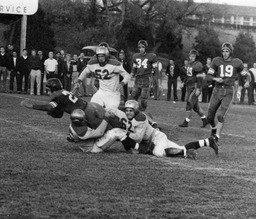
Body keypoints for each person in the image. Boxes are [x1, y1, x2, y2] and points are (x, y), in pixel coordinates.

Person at [70, 100, 218, 157]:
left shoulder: (139, 118)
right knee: (178, 148)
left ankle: (186, 153)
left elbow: (138, 138)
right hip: (154, 135)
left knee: (159, 153)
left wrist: (124, 133)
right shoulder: (131, 115)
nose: (127, 112)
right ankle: (208, 141)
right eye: (126, 110)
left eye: (130, 111)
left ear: (135, 111)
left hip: (155, 137)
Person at [205, 42, 251, 143]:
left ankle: (216, 136)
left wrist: (247, 81)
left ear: (230, 52)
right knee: (209, 117)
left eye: (227, 51)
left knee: (220, 115)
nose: (225, 53)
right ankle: (213, 129)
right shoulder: (216, 60)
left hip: (228, 91)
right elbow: (208, 76)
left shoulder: (237, 62)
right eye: (223, 51)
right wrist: (216, 79)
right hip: (217, 90)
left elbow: (246, 75)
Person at [179, 49, 207, 128]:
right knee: (196, 107)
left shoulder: (198, 64)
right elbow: (187, 76)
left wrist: (198, 88)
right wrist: (183, 83)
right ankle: (205, 120)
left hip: (195, 86)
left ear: (196, 57)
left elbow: (199, 78)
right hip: (189, 86)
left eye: (193, 56)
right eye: (190, 56)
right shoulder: (188, 64)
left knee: (189, 103)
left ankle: (186, 122)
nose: (191, 58)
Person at [130, 40, 161, 110]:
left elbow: (156, 69)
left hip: (146, 79)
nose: (141, 49)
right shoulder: (135, 56)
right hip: (138, 79)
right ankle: (135, 110)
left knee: (143, 100)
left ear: (146, 48)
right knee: (133, 98)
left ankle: (143, 111)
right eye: (140, 47)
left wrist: (159, 81)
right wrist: (132, 74)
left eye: (143, 47)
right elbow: (134, 68)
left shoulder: (151, 56)